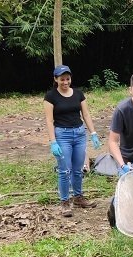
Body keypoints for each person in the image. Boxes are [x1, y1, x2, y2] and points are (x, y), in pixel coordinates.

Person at [43, 65, 102, 217]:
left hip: (79, 134)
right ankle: (64, 202)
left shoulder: (78, 94)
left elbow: (86, 115)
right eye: (62, 79)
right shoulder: (50, 97)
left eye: (67, 79)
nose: (65, 82)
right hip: (62, 135)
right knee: (64, 170)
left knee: (77, 169)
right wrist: (53, 141)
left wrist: (93, 133)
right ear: (56, 79)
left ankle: (78, 197)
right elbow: (49, 121)